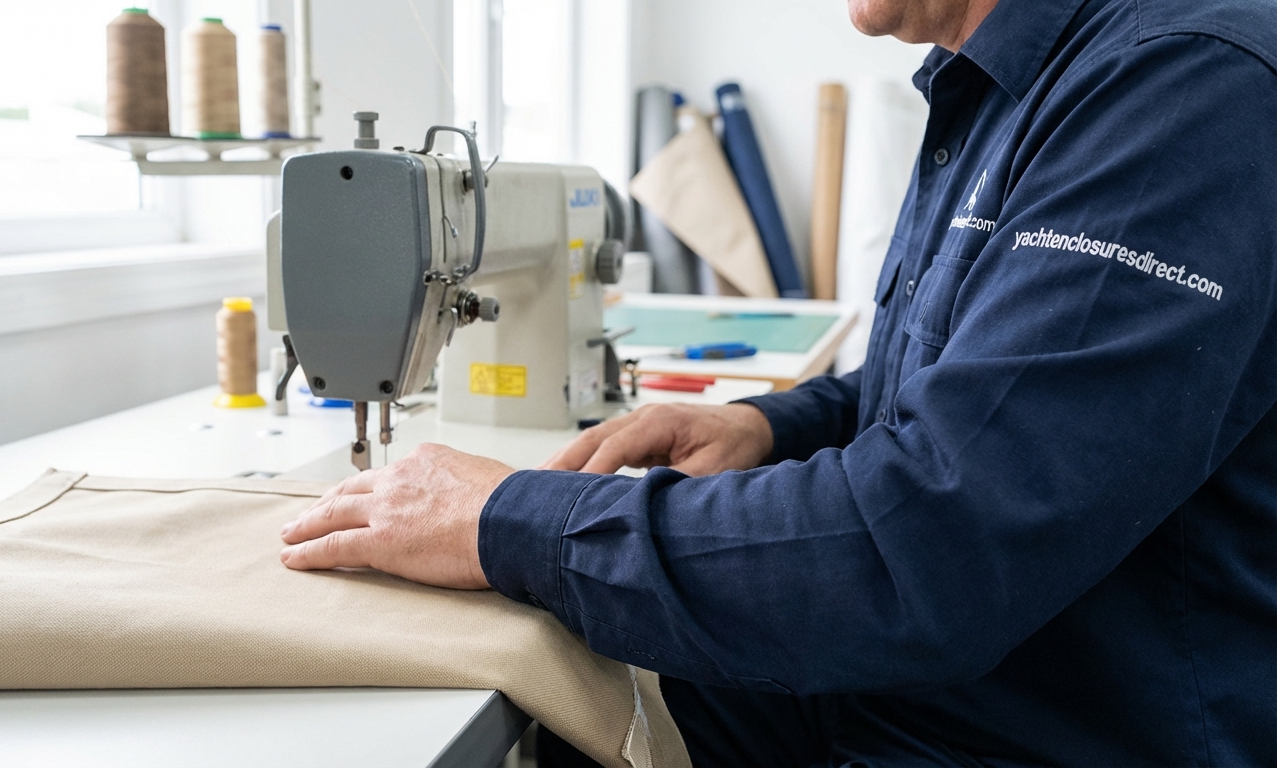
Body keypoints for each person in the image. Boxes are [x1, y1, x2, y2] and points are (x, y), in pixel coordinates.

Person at [278, 0, 1277, 762]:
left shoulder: (1182, 88)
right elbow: (956, 385)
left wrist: (507, 520)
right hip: (930, 687)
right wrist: (774, 425)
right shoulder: (988, 90)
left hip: (1044, 729)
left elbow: (928, 544)